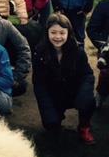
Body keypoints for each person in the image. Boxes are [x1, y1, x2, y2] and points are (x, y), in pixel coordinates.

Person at [32, 13, 96, 144]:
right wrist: (47, 109)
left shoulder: (78, 51)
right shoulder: (40, 52)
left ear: (69, 33)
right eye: (53, 32)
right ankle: (55, 122)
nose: (57, 37)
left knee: (88, 102)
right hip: (53, 94)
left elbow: (88, 75)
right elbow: (39, 84)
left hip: (75, 92)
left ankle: (84, 126)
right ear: (47, 32)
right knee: (51, 124)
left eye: (62, 33)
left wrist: (84, 94)